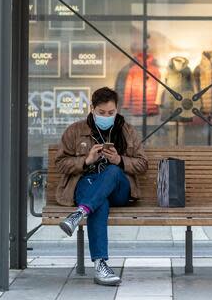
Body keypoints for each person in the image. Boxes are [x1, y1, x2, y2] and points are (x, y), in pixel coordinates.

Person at [55, 87, 147, 286]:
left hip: (119, 190)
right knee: (100, 203)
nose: (107, 117)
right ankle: (100, 265)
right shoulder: (75, 131)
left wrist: (120, 160)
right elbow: (60, 163)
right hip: (85, 185)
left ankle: (79, 213)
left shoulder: (127, 131)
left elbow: (142, 164)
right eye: (101, 113)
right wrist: (86, 161)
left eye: (111, 113)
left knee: (113, 172)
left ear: (117, 110)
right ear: (92, 109)